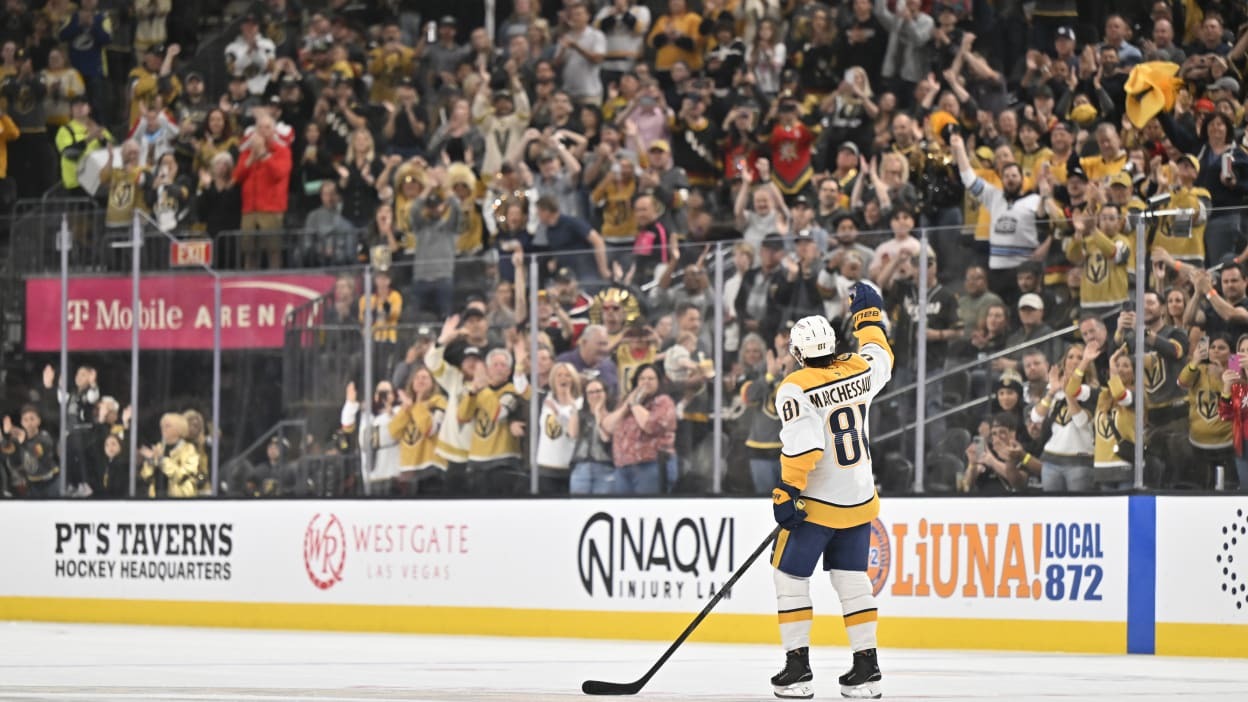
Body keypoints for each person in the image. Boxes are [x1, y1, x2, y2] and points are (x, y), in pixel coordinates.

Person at [768, 282, 892, 700]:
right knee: (852, 580)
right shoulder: (858, 369)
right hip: (859, 500)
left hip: (818, 505)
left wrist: (787, 490)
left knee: (789, 576)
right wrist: (868, 318)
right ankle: (867, 669)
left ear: (798, 352)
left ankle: (797, 669)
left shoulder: (796, 385)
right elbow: (881, 354)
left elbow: (805, 447)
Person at [137, 412, 199, 498]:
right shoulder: (159, 447)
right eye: (162, 426)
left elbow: (181, 475)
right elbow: (145, 476)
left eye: (168, 426)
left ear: (179, 428)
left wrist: (162, 460)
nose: (163, 429)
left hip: (180, 499)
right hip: (157, 498)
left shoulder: (189, 449)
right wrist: (150, 461)